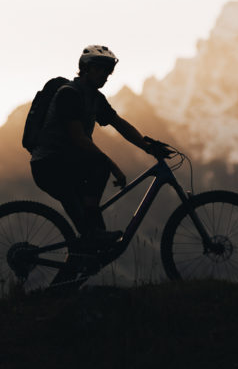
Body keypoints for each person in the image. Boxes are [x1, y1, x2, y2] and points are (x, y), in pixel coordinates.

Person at [29, 45, 164, 249]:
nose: (105, 75)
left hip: (67, 164)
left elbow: (120, 124)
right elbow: (79, 139)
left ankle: (79, 265)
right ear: (86, 68)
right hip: (49, 164)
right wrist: (113, 166)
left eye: (108, 71)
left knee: (95, 233)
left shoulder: (94, 98)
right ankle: (90, 236)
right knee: (99, 166)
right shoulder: (69, 94)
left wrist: (148, 146)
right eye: (100, 69)